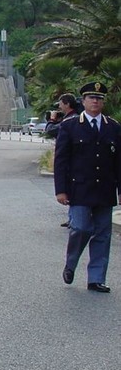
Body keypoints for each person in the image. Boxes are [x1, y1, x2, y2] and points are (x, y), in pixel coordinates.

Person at [54, 81, 121, 293]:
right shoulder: (70, 126)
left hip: (105, 189)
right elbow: (61, 160)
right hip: (80, 189)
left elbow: (119, 161)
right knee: (81, 228)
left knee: (103, 234)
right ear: (83, 101)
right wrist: (61, 190)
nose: (95, 101)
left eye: (99, 98)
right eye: (91, 98)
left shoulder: (113, 127)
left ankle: (96, 278)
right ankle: (71, 263)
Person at [46, 93, 80, 227]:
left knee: (73, 190)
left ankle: (74, 220)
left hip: (71, 162)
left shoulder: (70, 121)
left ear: (67, 104)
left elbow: (50, 130)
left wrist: (52, 119)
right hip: (71, 161)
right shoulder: (72, 118)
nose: (59, 107)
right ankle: (72, 218)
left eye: (60, 103)